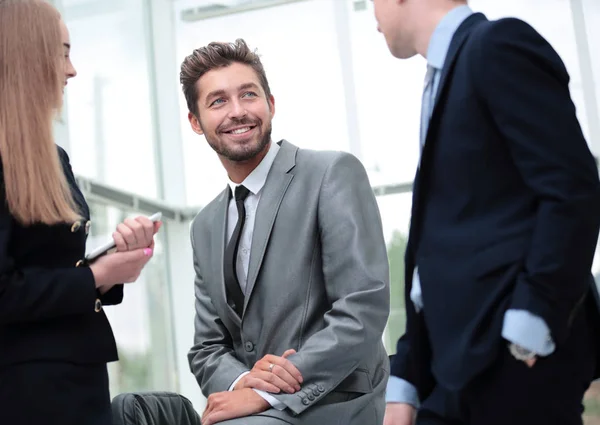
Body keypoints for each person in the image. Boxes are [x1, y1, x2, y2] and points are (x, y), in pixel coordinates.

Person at [371, 0, 600, 424]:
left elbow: (572, 188)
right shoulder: (442, 78)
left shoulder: (496, 46)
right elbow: (438, 251)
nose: (372, 14)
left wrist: (530, 326)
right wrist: (405, 377)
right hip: (454, 368)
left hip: (510, 361)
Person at [181, 38, 390, 425]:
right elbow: (206, 348)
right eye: (218, 101)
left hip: (333, 398)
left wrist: (265, 393)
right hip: (253, 410)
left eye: (248, 95)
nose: (238, 112)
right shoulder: (205, 225)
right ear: (196, 122)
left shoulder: (331, 174)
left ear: (271, 103)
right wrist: (245, 382)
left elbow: (362, 307)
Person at [0, 1, 161, 424]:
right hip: (23, 387)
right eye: (63, 52)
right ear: (27, 56)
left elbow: (52, 264)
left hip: (78, 372)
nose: (72, 70)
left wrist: (111, 261)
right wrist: (100, 274)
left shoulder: (53, 157)